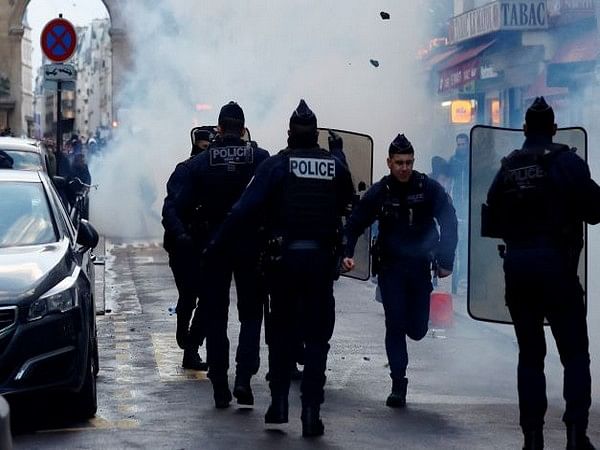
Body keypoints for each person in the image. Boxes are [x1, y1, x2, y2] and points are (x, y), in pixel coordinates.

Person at [205, 100, 354, 437]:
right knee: (317, 340)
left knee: (282, 335)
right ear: (315, 134)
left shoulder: (276, 166)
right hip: (319, 266)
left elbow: (243, 209)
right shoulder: (333, 165)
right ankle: (312, 413)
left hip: (283, 264)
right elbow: (349, 200)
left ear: (289, 133)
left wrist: (216, 245)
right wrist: (339, 155)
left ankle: (279, 405)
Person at [483, 97, 600, 450]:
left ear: (523, 130)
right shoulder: (568, 163)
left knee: (530, 355)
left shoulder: (508, 167)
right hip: (558, 269)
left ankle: (532, 437)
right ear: (553, 127)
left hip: (518, 270)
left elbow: (492, 221)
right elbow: (595, 212)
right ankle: (576, 435)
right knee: (575, 353)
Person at [166, 101, 270, 408]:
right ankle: (243, 379)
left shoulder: (199, 163)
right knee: (251, 315)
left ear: (220, 129)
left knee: (215, 316)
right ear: (243, 128)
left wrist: (183, 238)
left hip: (213, 248)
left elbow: (172, 207)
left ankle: (221, 385)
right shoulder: (261, 160)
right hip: (250, 247)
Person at [342, 133, 457, 408]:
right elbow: (356, 221)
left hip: (419, 269)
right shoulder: (381, 192)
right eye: (399, 163)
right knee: (394, 323)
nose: (404, 168)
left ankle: (411, 328)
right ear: (389, 163)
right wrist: (346, 252)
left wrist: (445, 260)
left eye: (408, 162)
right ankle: (398, 382)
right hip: (392, 269)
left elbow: (449, 219)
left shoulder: (427, 188)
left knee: (417, 329)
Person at [161, 133, 210, 371]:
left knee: (208, 298)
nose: (206, 151)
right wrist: (182, 235)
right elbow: (169, 209)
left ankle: (191, 346)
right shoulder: (185, 171)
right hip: (183, 247)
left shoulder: (214, 171)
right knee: (189, 295)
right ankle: (184, 333)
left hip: (204, 245)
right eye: (202, 147)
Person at [448, 133, 469, 294]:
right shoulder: (453, 162)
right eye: (458, 144)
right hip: (457, 206)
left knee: (466, 245)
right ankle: (455, 280)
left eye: (463, 144)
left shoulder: (473, 160)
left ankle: (464, 275)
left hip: (469, 206)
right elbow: (448, 183)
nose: (460, 147)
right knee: (456, 244)